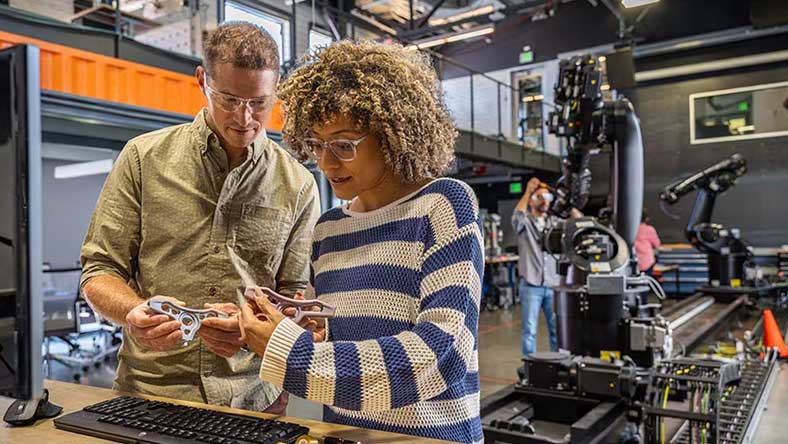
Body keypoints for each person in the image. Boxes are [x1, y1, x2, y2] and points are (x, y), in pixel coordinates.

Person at [236, 41, 484, 443]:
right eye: (316, 145)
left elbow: (441, 355)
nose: (327, 163)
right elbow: (324, 339)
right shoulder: (329, 229)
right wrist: (265, 329)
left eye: (344, 145)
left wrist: (290, 352)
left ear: (391, 133)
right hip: (346, 435)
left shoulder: (443, 205)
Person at [79, 22, 320, 412]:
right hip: (151, 391)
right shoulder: (143, 158)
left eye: (259, 103)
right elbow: (100, 269)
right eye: (229, 99)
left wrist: (250, 330)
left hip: (253, 396)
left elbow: (297, 293)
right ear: (202, 81)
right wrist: (131, 312)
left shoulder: (298, 184)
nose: (244, 118)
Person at [511, 179, 581, 357]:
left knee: (557, 329)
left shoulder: (555, 223)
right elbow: (517, 216)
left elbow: (580, 221)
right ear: (532, 200)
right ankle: (529, 368)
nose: (545, 200)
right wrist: (528, 191)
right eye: (539, 197)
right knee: (529, 331)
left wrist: (562, 199)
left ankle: (559, 364)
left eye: (547, 197)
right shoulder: (525, 223)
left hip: (552, 285)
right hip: (531, 285)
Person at [635, 210, 661, 275]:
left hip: (634, 260)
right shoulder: (650, 229)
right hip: (647, 261)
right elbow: (657, 244)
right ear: (646, 219)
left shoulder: (631, 229)